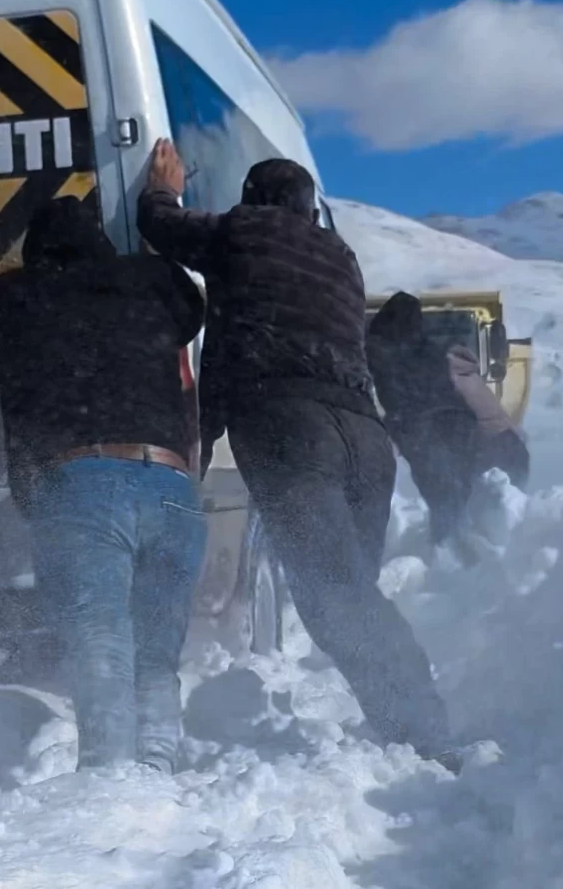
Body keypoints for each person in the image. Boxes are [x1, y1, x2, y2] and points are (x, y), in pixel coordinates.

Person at [137, 140, 453, 766]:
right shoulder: (341, 255)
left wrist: (162, 188)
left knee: (336, 596)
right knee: (354, 591)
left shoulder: (244, 231)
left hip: (289, 424)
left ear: (254, 201)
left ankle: (422, 735)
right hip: (364, 436)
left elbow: (161, 228)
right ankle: (413, 725)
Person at [0, 195, 206, 774]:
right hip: (172, 484)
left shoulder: (19, 295)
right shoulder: (151, 281)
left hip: (83, 485)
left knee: (101, 646)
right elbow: (191, 311)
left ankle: (112, 779)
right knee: (156, 653)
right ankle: (158, 766)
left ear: (36, 251)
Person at [366, 292, 484, 544]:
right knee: (458, 489)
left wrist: (395, 423)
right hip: (460, 422)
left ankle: (452, 550)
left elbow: (398, 396)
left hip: (425, 427)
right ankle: (464, 544)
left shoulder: (380, 350)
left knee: (440, 491)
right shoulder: (429, 350)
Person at [446, 343, 530, 489]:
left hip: (491, 447)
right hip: (509, 444)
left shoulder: (453, 381)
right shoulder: (470, 376)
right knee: (510, 498)